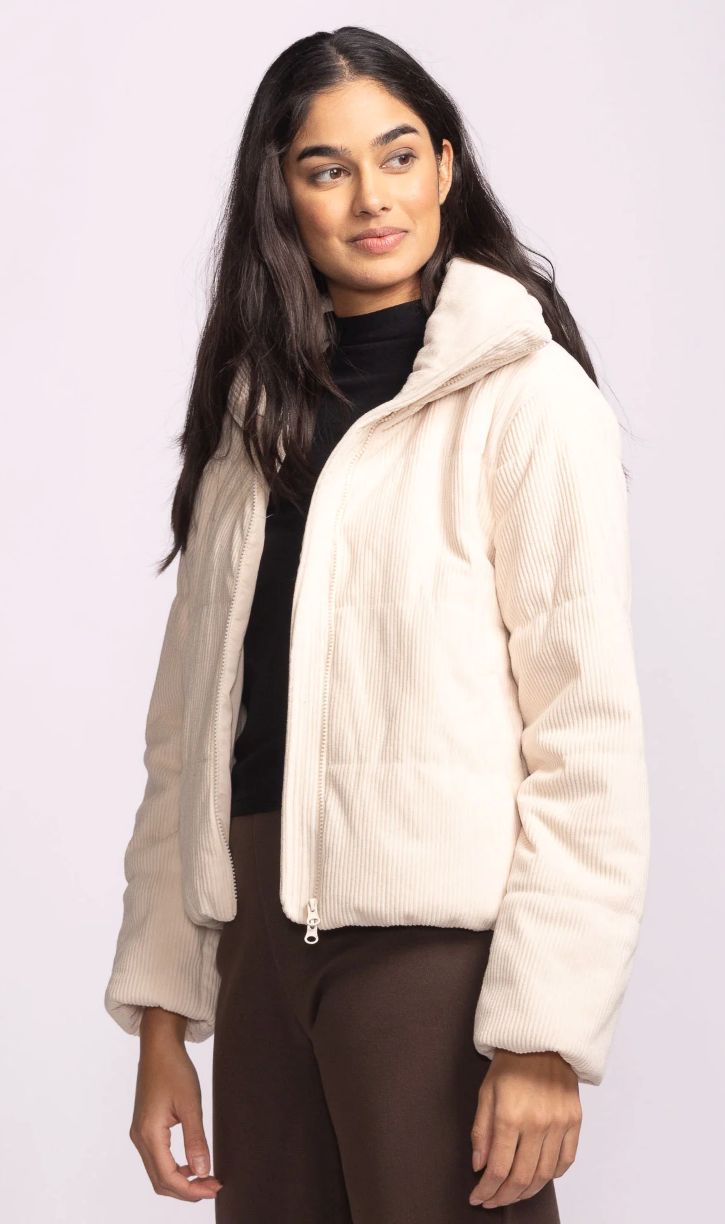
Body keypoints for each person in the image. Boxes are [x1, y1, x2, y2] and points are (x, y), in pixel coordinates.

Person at [104, 25, 650, 1223]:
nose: (372, 198)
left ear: (446, 166)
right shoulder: (249, 427)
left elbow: (586, 730)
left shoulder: (526, 398)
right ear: (281, 193)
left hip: (430, 960)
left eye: (399, 156)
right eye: (328, 168)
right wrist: (164, 1019)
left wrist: (545, 1032)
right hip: (254, 939)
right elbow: (186, 744)